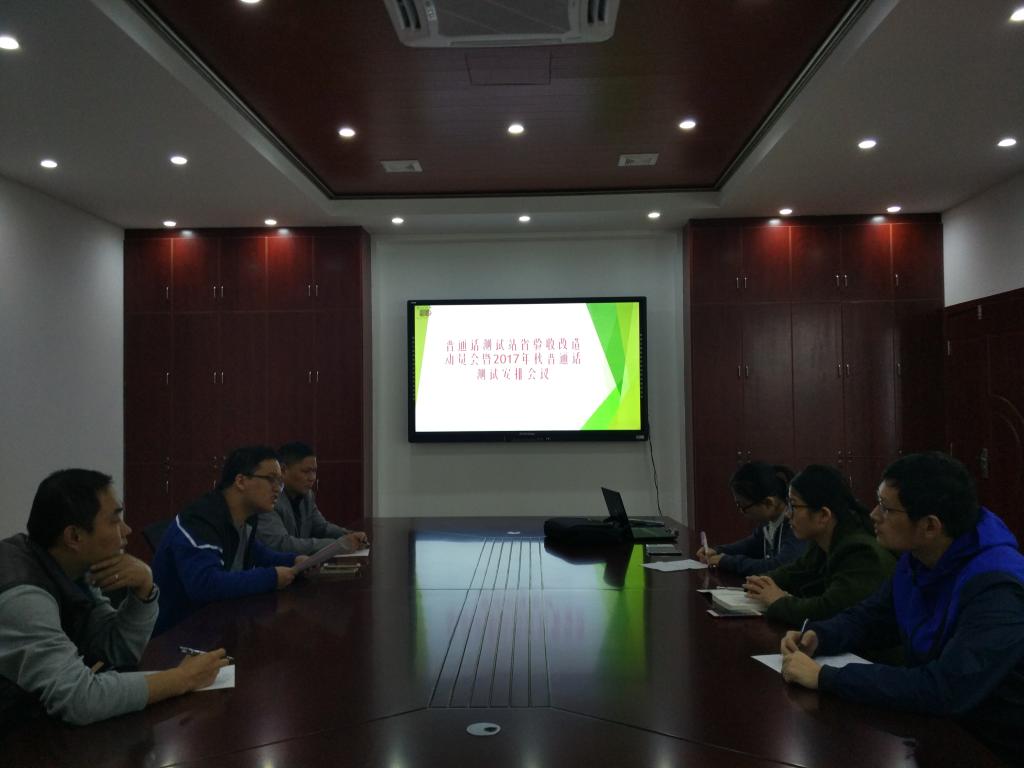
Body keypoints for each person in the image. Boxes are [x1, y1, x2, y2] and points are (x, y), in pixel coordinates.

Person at [779, 452, 1024, 763]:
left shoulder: (998, 588)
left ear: (930, 526)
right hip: (938, 731)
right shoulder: (918, 559)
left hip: (994, 747)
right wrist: (819, 635)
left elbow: (945, 688)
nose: (873, 515)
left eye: (886, 508)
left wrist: (827, 678)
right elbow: (872, 617)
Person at [0, 470, 227, 728]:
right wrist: (182, 679)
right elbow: (80, 700)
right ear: (74, 537)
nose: (127, 530)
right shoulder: (23, 597)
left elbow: (117, 651)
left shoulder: (73, 570)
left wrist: (144, 591)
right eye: (114, 520)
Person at [152, 446, 304, 635]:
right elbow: (204, 584)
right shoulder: (201, 520)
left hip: (216, 623)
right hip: (176, 635)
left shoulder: (245, 516)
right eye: (271, 479)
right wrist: (271, 577)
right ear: (241, 481)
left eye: (280, 482)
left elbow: (255, 552)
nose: (277, 489)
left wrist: (294, 561)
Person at [744, 464, 896, 626]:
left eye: (794, 506)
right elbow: (795, 572)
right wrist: (760, 583)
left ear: (823, 515)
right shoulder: (823, 541)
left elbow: (827, 611)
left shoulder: (861, 552)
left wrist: (778, 601)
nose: (788, 514)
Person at [254, 442, 368, 555]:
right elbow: (282, 544)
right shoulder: (268, 499)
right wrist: (339, 544)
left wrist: (349, 535)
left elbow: (322, 527)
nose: (312, 478)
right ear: (283, 470)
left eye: (314, 471)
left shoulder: (307, 495)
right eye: (306, 471)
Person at [696, 462, 806, 575]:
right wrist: (718, 551)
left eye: (743, 506)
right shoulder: (769, 522)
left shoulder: (796, 526)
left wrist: (726, 561)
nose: (741, 511)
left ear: (768, 503)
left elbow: (777, 566)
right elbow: (751, 545)